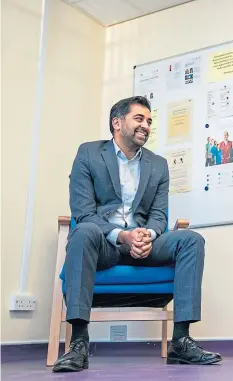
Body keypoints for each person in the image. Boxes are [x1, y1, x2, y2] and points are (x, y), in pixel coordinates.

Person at [53, 96, 222, 372]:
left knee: (191, 239)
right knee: (82, 231)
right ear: (117, 123)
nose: (146, 125)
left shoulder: (158, 164)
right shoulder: (88, 154)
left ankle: (180, 342)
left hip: (144, 245)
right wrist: (122, 236)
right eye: (139, 119)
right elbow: (84, 212)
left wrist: (149, 235)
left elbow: (159, 215)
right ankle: (79, 344)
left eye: (149, 121)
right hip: (105, 245)